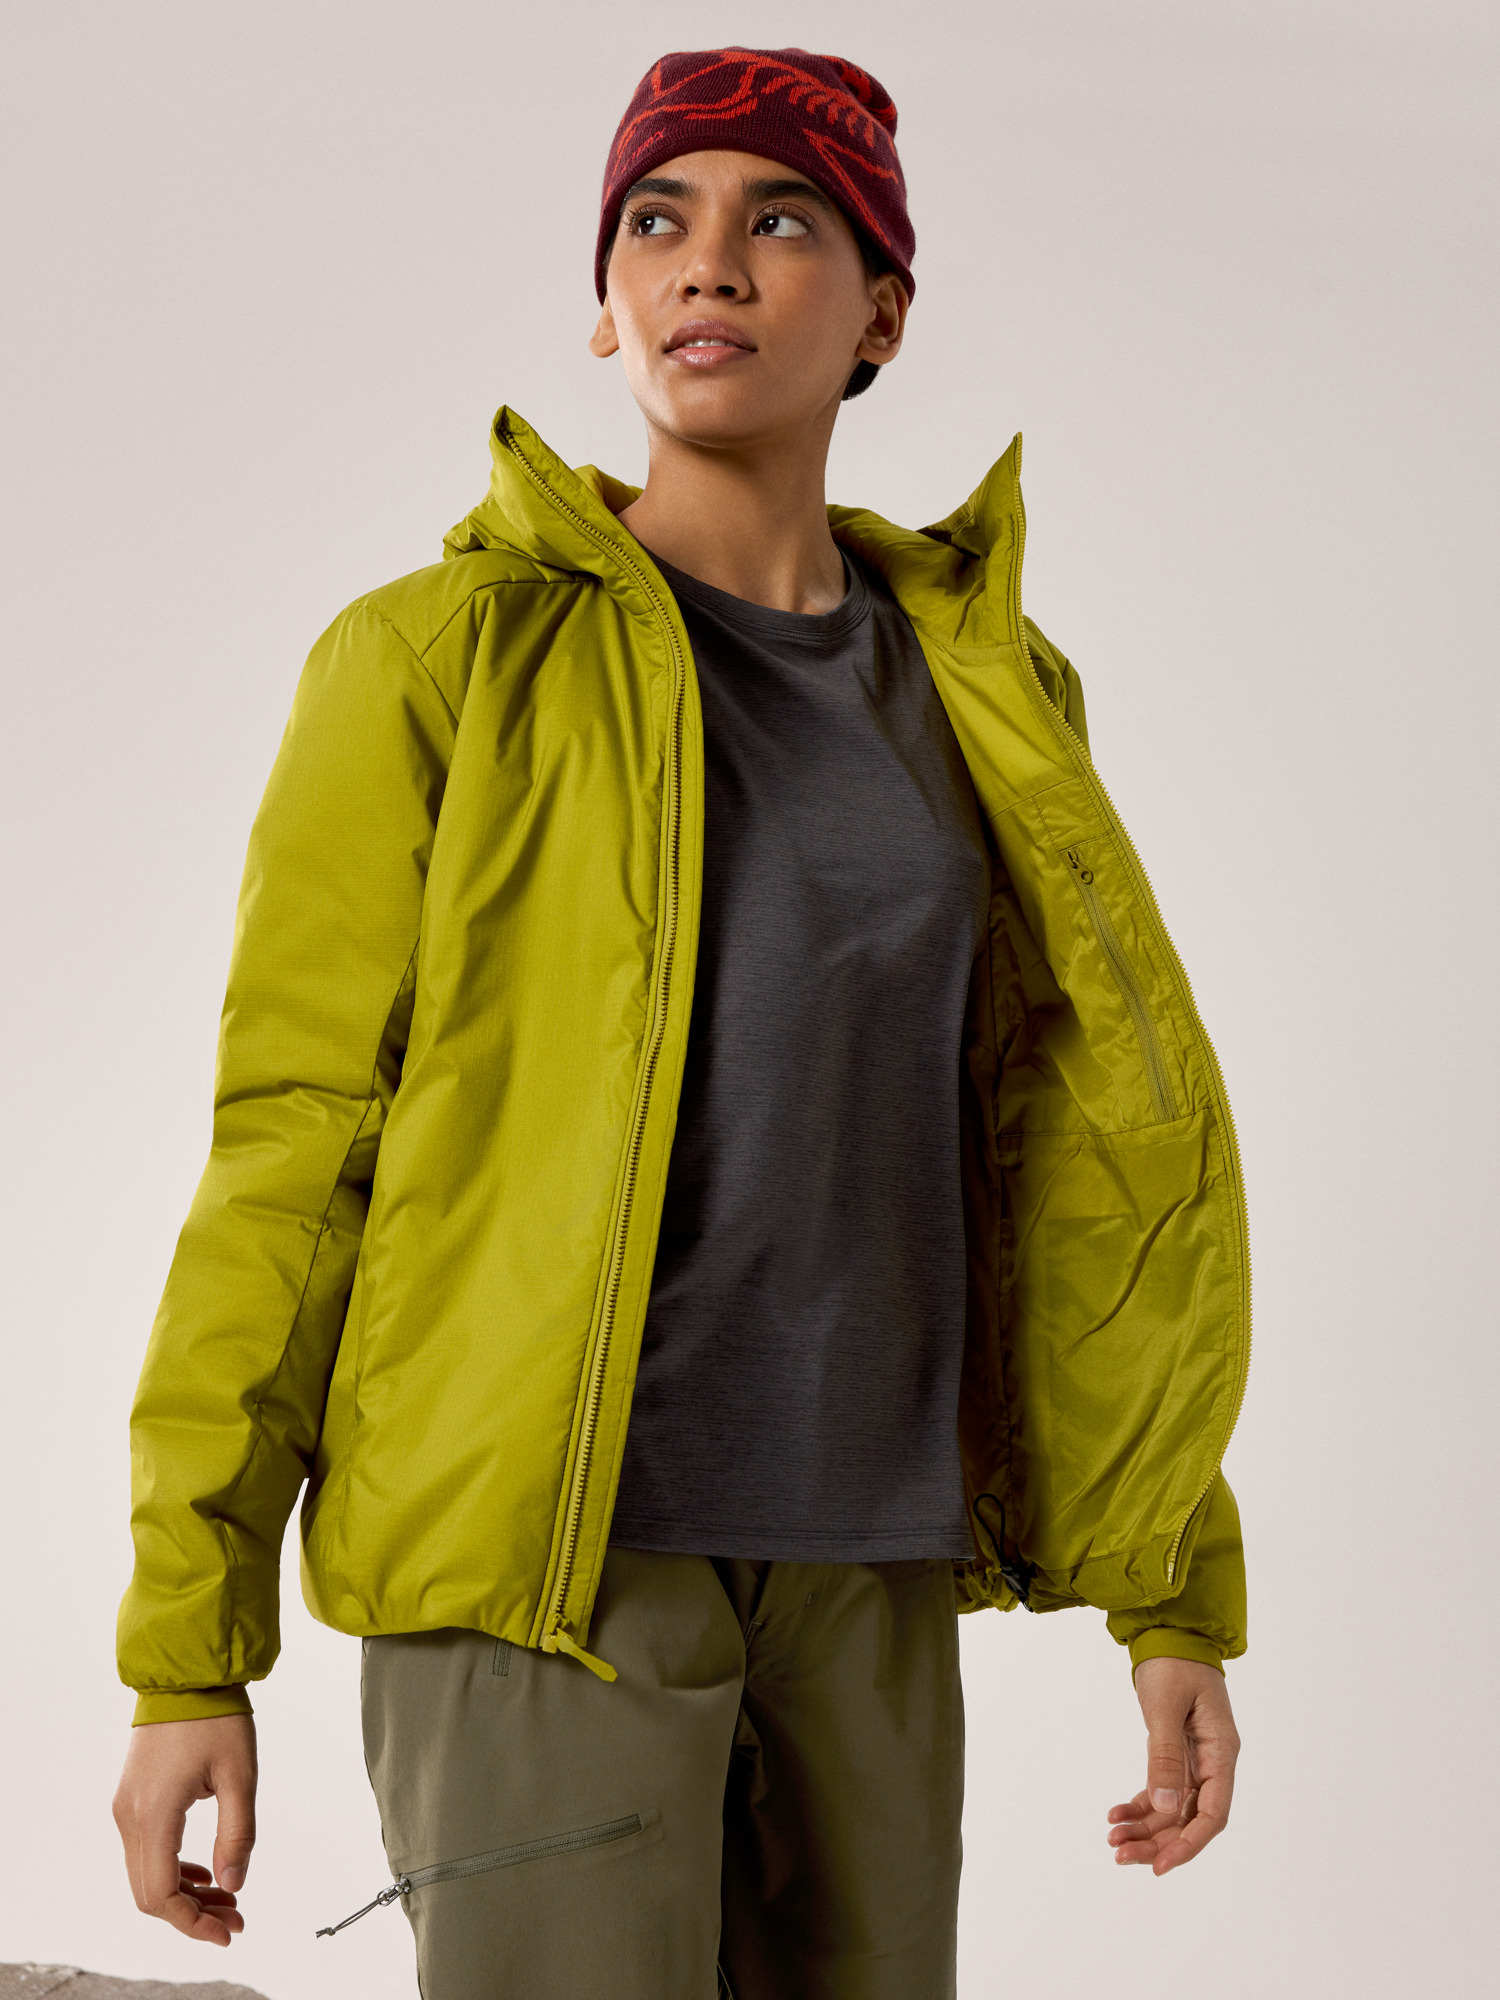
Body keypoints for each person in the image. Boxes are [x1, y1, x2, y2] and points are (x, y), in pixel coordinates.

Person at [112, 45, 1249, 2000]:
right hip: (541, 1570)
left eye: (781, 220)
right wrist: (183, 1647)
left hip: (868, 1558)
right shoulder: (438, 658)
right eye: (658, 220)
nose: (707, 263)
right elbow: (296, 1147)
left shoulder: (989, 688)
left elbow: (1079, 1156)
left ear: (883, 313)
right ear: (605, 303)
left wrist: (1169, 1586)